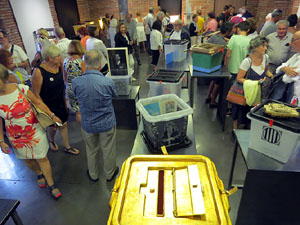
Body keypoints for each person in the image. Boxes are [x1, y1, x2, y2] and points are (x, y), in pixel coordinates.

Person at [0, 64, 62, 199]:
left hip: (33, 129)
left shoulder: (20, 89)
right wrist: (1, 141)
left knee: (42, 157)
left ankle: (51, 184)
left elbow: (38, 103)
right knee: (28, 160)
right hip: (15, 134)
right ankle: (38, 172)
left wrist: (51, 115)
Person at [72, 50, 119, 182]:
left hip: (87, 124)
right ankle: (110, 174)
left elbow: (75, 97)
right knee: (108, 149)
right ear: (99, 64)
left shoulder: (76, 82)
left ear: (84, 63)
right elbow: (115, 95)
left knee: (91, 149)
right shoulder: (107, 82)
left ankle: (93, 174)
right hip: (106, 122)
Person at [31, 45, 80, 155]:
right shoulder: (38, 72)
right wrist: (47, 112)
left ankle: (67, 147)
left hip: (59, 101)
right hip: (47, 105)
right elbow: (36, 94)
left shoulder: (59, 65)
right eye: (58, 55)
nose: (60, 57)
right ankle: (51, 140)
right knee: (53, 127)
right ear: (50, 58)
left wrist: (65, 100)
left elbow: (62, 84)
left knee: (63, 124)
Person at [232, 36, 273, 129]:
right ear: (255, 47)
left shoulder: (266, 58)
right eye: (263, 46)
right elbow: (239, 78)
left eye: (266, 46)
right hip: (244, 92)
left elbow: (266, 71)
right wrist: (254, 83)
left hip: (257, 92)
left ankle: (249, 128)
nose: (265, 48)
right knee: (239, 110)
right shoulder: (247, 61)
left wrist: (272, 76)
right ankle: (235, 129)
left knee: (252, 110)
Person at [206, 22, 233, 108]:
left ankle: (208, 96)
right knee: (217, 83)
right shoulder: (223, 43)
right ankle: (213, 101)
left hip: (211, 63)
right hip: (218, 64)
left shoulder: (213, 37)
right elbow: (225, 56)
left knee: (213, 80)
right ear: (228, 31)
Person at [272, 31, 300, 104]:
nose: (290, 43)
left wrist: (283, 69)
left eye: (293, 40)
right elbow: (278, 69)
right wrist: (285, 69)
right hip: (290, 96)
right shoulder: (296, 56)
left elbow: (286, 79)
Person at [63, 40, 86, 124]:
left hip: (70, 88)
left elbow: (64, 78)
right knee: (83, 110)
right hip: (80, 88)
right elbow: (85, 77)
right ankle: (87, 130)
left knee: (77, 112)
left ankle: (82, 129)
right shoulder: (81, 62)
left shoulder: (65, 61)